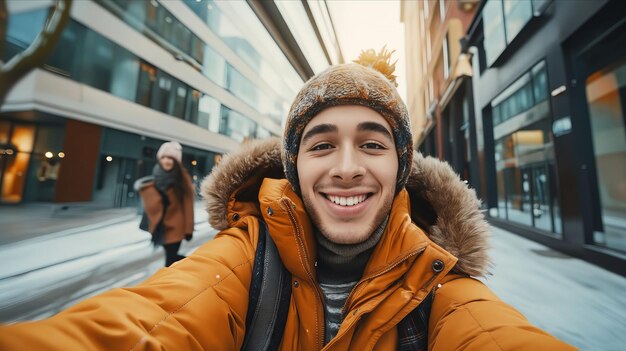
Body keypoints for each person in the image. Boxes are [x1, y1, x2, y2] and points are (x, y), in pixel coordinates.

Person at [0, 50, 575, 350]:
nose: (347, 168)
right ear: (294, 167)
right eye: (322, 144)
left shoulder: (443, 286)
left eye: (372, 144)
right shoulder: (241, 261)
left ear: (400, 169)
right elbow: (148, 323)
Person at [135, 141, 195, 267]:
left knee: (170, 259)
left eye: (170, 158)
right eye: (164, 157)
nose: (166, 161)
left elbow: (188, 205)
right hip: (161, 228)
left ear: (176, 161)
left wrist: (189, 229)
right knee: (171, 259)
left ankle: (194, 268)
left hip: (176, 226)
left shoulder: (182, 177)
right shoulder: (156, 175)